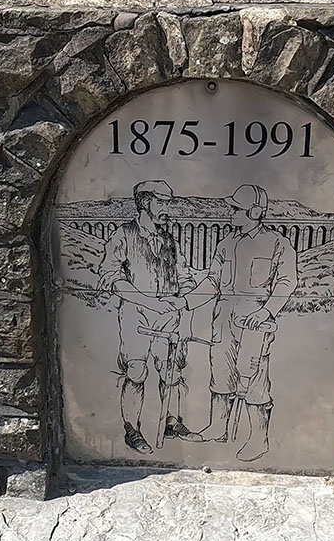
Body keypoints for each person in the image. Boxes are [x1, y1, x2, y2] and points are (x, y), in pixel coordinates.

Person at [96, 180, 201, 454]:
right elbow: (111, 277)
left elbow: (184, 275)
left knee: (172, 371)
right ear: (145, 202)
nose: (168, 208)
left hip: (169, 315)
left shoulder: (169, 239)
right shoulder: (123, 235)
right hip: (136, 315)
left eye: (168, 202)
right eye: (162, 202)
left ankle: (171, 421)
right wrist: (146, 302)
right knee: (136, 371)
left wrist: (183, 298)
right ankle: (132, 429)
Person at [198, 184, 298, 461]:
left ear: (255, 212)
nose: (231, 213)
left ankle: (258, 439)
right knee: (221, 373)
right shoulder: (226, 244)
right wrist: (184, 303)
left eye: (236, 209)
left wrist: (267, 311)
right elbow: (212, 280)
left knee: (254, 378)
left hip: (255, 320)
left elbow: (287, 281)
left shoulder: (278, 243)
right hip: (224, 317)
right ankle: (218, 427)